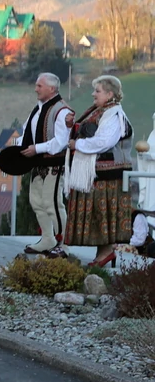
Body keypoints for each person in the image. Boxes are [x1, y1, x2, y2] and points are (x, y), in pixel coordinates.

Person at [64, 75, 133, 268]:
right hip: (96, 175)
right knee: (97, 214)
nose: (93, 94)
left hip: (108, 176)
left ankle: (106, 253)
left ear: (110, 94)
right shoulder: (100, 111)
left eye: (98, 91)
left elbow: (104, 142)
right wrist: (71, 127)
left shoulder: (114, 114)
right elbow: (88, 133)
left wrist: (78, 144)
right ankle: (102, 253)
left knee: (102, 214)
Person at [17, 72, 73, 256]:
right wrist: (17, 148)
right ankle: (48, 239)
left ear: (51, 88)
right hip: (37, 163)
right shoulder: (38, 109)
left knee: (53, 204)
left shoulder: (62, 111)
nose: (36, 89)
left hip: (54, 164)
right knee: (37, 202)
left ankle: (63, 244)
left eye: (39, 86)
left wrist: (37, 148)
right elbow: (26, 131)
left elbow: (61, 141)